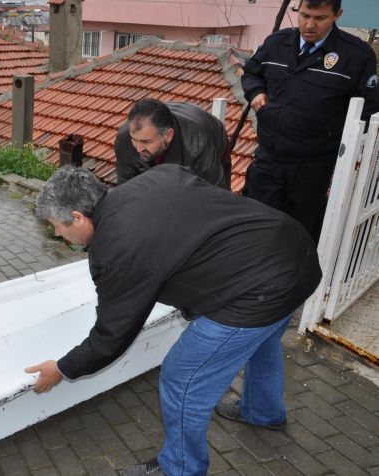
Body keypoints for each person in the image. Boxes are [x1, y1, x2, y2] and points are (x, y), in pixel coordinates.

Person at [25, 165, 321, 476]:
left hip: (259, 289)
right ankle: (263, 412)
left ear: (78, 217)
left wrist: (62, 368)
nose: (58, 235)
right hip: (294, 250)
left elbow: (112, 335)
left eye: (57, 226)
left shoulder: (116, 248)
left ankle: (180, 468)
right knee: (261, 340)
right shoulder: (152, 179)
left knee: (182, 379)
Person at [242, 0, 379, 242]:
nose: (309, 25)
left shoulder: (356, 56)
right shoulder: (277, 43)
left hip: (312, 167)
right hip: (269, 157)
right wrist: (255, 92)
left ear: (337, 15)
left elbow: (368, 109)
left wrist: (347, 152)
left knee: (298, 235)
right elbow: (252, 71)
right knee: (256, 227)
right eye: (304, 15)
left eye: (319, 18)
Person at [114, 98, 231, 189]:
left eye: (146, 141)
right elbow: (126, 189)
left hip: (214, 141)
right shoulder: (124, 139)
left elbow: (215, 197)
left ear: (168, 135)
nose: (138, 149)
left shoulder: (198, 144)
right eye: (134, 139)